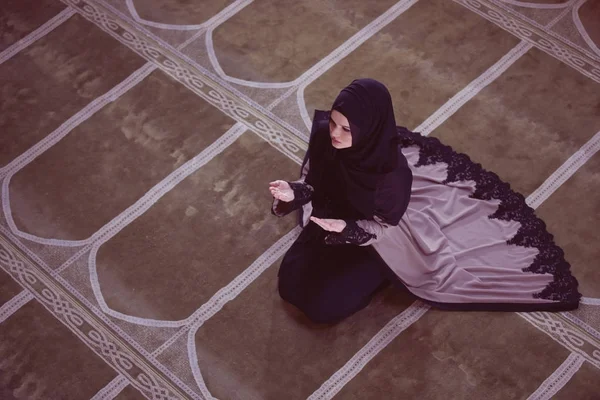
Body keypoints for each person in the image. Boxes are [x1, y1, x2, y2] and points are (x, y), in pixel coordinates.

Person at [269, 78, 580, 324]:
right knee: (291, 285)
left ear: (370, 130)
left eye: (347, 129)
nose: (335, 133)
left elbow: (382, 229)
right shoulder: (327, 138)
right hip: (329, 220)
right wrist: (294, 191)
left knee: (323, 308)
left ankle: (385, 276)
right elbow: (314, 184)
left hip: (374, 240)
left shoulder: (391, 177)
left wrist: (348, 228)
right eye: (334, 123)